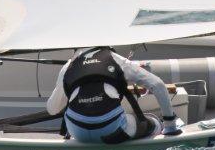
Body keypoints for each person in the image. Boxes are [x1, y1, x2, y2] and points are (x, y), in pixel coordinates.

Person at [47, 47, 183, 144]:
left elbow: (52, 109)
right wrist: (170, 125)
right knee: (153, 122)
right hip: (112, 131)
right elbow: (158, 85)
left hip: (78, 133)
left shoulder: (68, 66)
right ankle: (165, 127)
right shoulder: (114, 58)